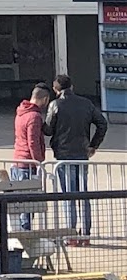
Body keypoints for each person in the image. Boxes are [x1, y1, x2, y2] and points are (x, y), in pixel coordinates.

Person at [44, 73, 108, 244]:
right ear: (71, 87)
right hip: (82, 153)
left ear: (56, 89)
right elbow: (102, 123)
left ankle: (71, 234)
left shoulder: (55, 105)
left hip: (63, 155)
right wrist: (93, 145)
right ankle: (85, 234)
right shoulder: (86, 103)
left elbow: (48, 130)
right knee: (83, 193)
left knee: (68, 195)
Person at [11, 83, 50, 230]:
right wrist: (39, 163)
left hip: (18, 160)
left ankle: (21, 230)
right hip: (28, 164)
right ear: (44, 99)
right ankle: (25, 233)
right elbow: (32, 142)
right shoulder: (34, 116)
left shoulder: (21, 112)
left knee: (20, 203)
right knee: (28, 204)